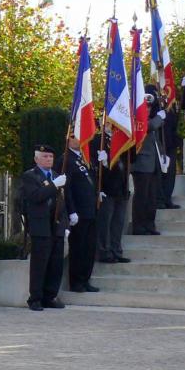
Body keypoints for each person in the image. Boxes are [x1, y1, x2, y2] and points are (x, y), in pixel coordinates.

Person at [19, 144, 69, 312]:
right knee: (39, 264)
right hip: (41, 225)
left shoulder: (57, 176)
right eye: (45, 156)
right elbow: (36, 196)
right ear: (36, 159)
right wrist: (54, 185)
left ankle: (50, 296)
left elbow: (62, 202)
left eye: (51, 157)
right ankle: (35, 298)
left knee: (56, 263)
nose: (49, 159)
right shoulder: (30, 176)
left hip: (56, 225)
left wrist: (66, 224)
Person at [61, 136, 100, 293]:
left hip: (90, 209)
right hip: (78, 211)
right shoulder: (66, 159)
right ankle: (76, 282)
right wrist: (71, 211)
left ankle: (85, 279)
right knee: (78, 248)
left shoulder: (85, 157)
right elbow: (67, 188)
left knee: (89, 248)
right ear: (68, 140)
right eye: (75, 137)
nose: (79, 140)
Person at [130, 86, 167, 236]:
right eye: (146, 107)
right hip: (141, 164)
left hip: (153, 164)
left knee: (152, 198)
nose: (148, 109)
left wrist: (163, 155)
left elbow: (156, 141)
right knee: (142, 197)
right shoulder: (137, 120)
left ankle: (149, 224)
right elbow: (149, 127)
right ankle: (138, 226)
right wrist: (160, 118)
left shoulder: (152, 119)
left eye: (150, 107)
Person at [93, 132, 131, 264]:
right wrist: (102, 163)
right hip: (107, 187)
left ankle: (116, 250)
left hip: (121, 187)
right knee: (105, 222)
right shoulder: (99, 140)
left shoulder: (122, 137)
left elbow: (130, 159)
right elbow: (92, 163)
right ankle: (105, 252)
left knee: (118, 223)